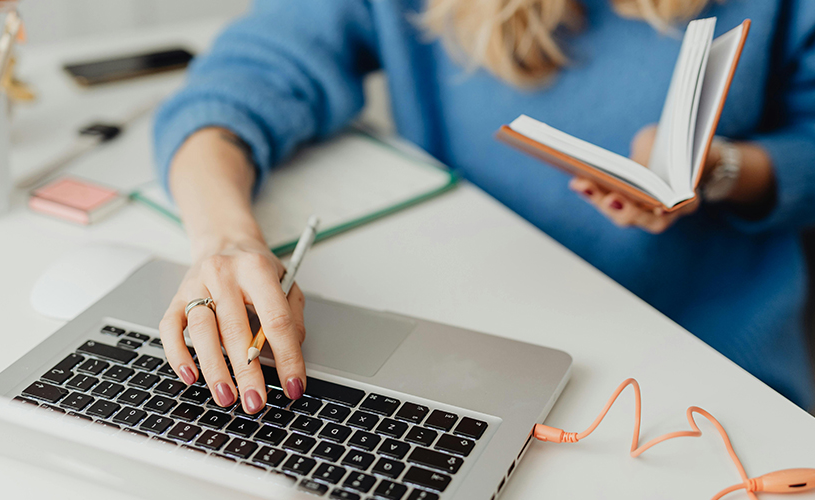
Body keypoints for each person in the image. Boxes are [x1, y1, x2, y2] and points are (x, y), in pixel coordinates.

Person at [153, 0, 815, 411]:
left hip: (708, 368)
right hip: (464, 354)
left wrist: (725, 168)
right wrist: (226, 241)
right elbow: (238, 83)